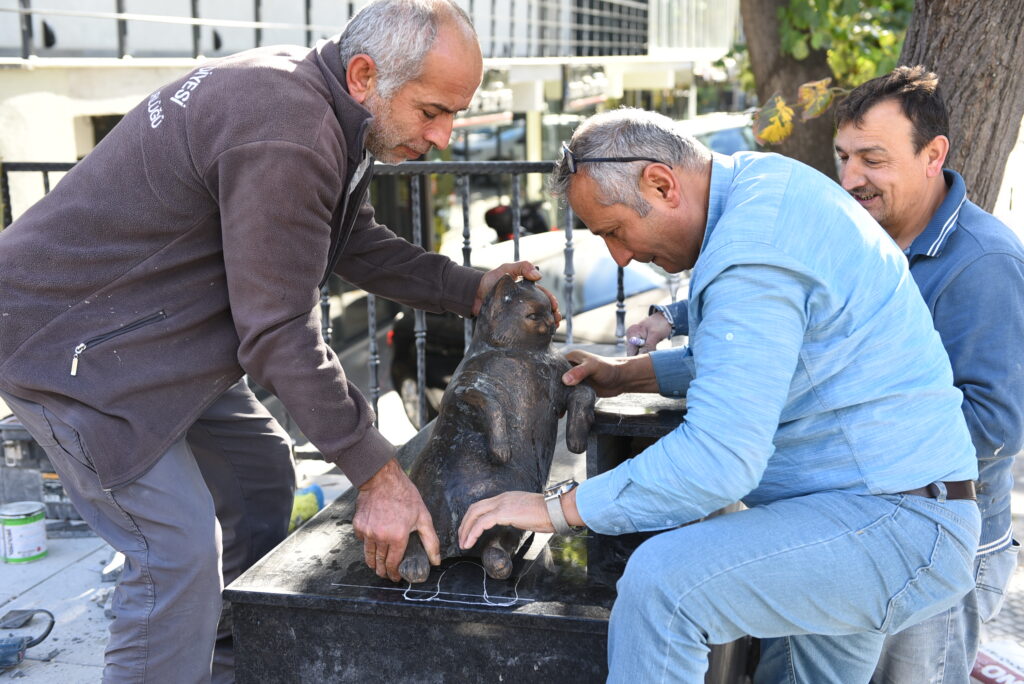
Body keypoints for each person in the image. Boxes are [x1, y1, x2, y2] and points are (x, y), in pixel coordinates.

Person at [0, 1, 552, 681]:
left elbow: (350, 241)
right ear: (363, 74)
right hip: (69, 349)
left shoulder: (322, 105)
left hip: (145, 337)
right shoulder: (289, 129)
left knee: (260, 472)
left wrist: (468, 289)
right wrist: (379, 477)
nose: (443, 136)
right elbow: (279, 333)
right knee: (174, 549)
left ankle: (230, 655)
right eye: (433, 111)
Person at [458, 107, 982, 682]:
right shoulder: (762, 186)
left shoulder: (753, 249)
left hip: (890, 523)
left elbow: (720, 460)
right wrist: (622, 374)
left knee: (665, 586)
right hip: (875, 512)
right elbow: (757, 365)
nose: (620, 256)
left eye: (612, 231)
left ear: (661, 184)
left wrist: (553, 509)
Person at [830, 66, 1024, 684]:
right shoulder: (862, 242)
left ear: (932, 155)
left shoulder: (985, 264)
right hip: (874, 530)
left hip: (946, 548)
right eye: (843, 156)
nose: (850, 177)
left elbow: (995, 427)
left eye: (872, 158)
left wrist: (845, 421)